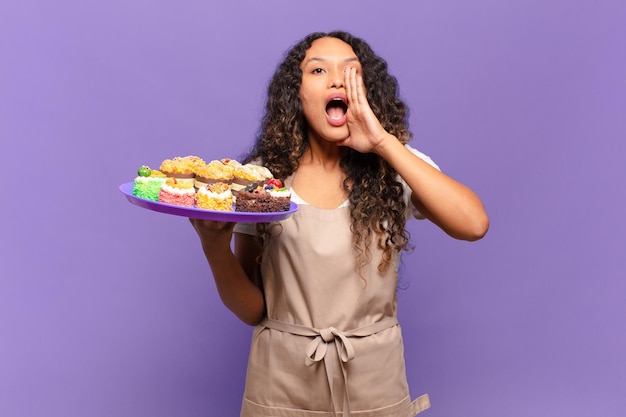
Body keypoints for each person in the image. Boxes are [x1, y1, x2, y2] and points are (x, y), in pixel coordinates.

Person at [190, 31, 489, 417]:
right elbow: (251, 310)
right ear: (296, 94)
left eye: (351, 72)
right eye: (318, 70)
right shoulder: (261, 178)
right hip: (280, 384)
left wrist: (383, 143)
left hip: (373, 382)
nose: (335, 80)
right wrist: (215, 250)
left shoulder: (396, 165)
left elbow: (474, 224)